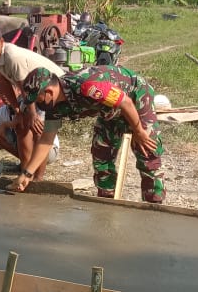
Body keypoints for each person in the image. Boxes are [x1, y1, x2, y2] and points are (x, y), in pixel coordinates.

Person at [9, 66, 166, 203]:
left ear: (49, 92)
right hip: (108, 111)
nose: (37, 104)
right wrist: (27, 174)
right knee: (101, 155)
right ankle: (106, 201)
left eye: (38, 99)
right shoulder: (54, 106)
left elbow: (125, 102)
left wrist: (138, 131)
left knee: (147, 150)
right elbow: (46, 139)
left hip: (135, 96)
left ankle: (154, 205)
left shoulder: (87, 86)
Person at [0, 23, 64, 180]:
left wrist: (31, 114)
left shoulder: (12, 56)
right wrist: (17, 110)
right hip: (32, 92)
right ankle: (25, 173)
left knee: (38, 130)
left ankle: (38, 178)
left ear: (1, 42)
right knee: (22, 126)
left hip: (51, 89)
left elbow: (26, 89)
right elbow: (4, 84)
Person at [0, 102, 59, 167]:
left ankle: (31, 169)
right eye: (3, 93)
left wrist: (8, 124)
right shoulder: (3, 111)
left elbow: (41, 135)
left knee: (24, 128)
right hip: (28, 150)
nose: (4, 96)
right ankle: (26, 163)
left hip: (48, 151)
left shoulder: (32, 108)